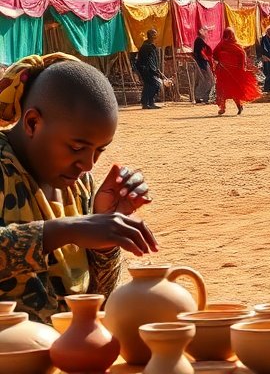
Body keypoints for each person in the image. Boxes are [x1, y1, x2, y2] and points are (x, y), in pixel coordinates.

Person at [0, 54, 158, 321]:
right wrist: (66, 230)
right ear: (32, 123)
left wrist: (104, 238)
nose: (87, 164)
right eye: (76, 148)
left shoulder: (78, 185)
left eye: (99, 150)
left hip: (60, 353)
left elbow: (96, 303)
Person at [212, 27, 261, 116]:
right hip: (224, 72)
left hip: (230, 72)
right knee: (223, 90)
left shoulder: (228, 45)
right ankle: (223, 108)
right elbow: (215, 55)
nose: (227, 37)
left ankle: (238, 106)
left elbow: (215, 55)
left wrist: (225, 60)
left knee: (232, 89)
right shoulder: (225, 45)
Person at [135, 30, 165, 110]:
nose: (155, 36)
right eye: (154, 34)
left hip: (151, 68)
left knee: (149, 85)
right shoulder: (146, 46)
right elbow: (147, 60)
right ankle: (147, 102)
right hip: (146, 69)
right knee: (154, 84)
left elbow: (153, 59)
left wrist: (156, 69)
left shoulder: (151, 46)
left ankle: (149, 102)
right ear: (150, 35)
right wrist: (154, 70)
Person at [191, 28, 214, 104]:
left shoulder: (200, 40)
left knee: (208, 80)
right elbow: (205, 51)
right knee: (207, 80)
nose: (207, 33)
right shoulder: (199, 40)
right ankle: (199, 96)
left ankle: (204, 97)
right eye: (205, 31)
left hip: (203, 62)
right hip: (201, 63)